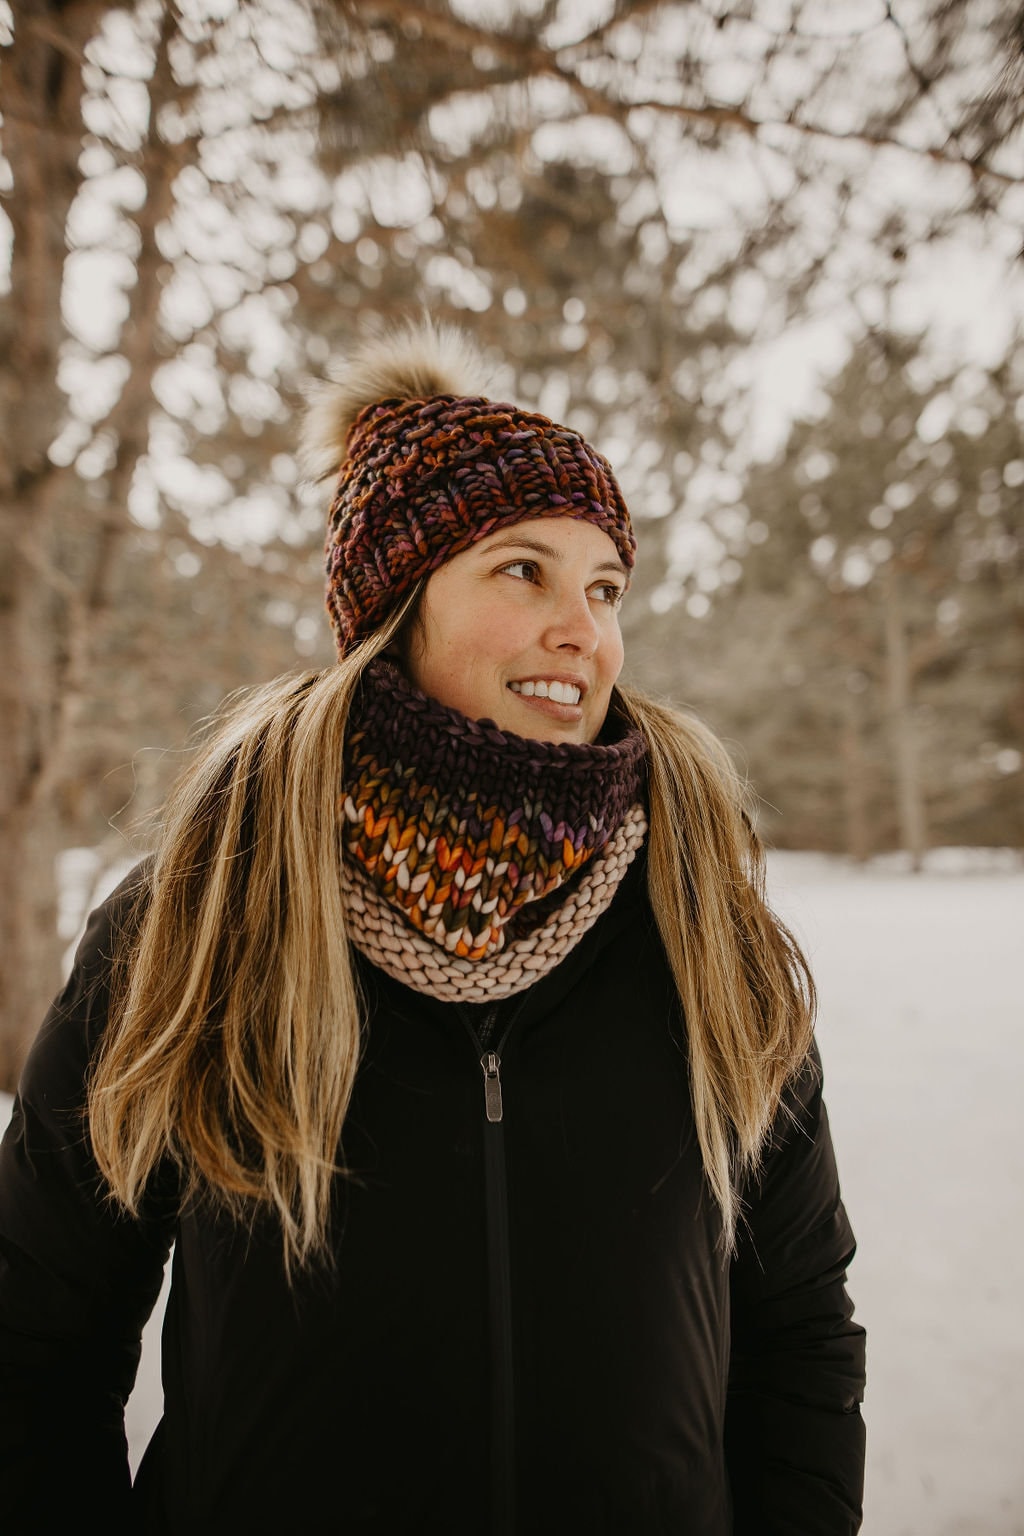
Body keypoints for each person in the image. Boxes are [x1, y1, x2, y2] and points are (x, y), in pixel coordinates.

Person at [0, 320, 866, 1535]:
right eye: (523, 570)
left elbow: (802, 1333)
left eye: (604, 586)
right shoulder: (195, 924)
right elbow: (34, 1341)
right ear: (395, 608)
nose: (585, 629)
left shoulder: (700, 924)